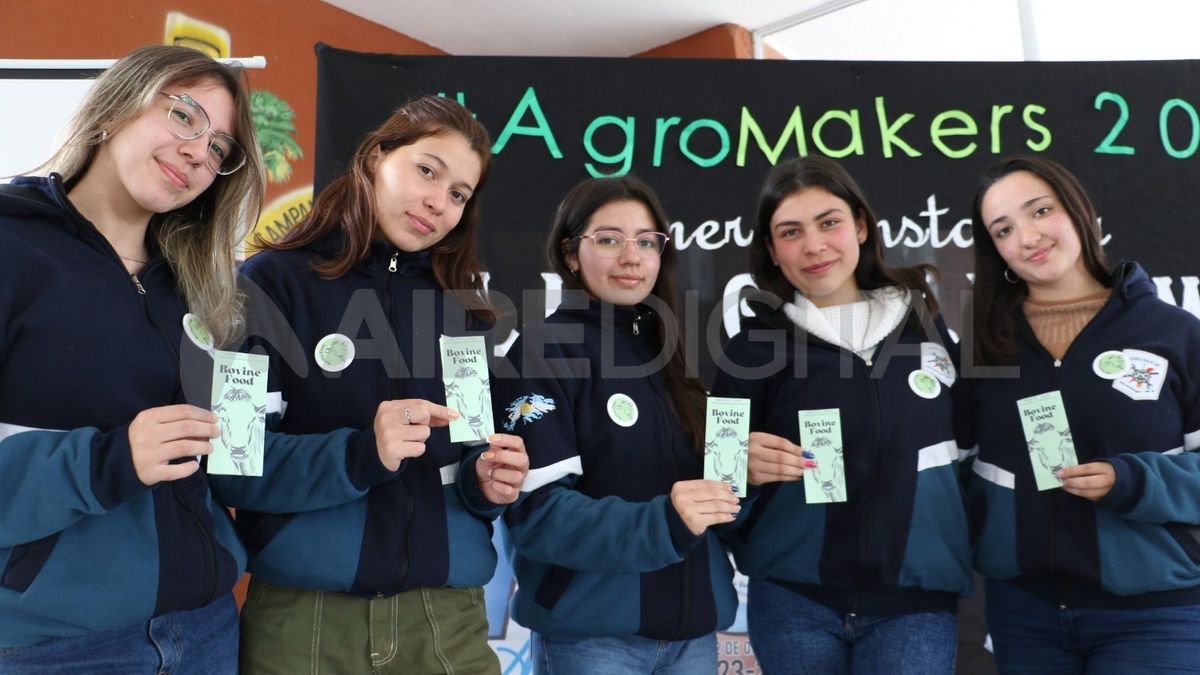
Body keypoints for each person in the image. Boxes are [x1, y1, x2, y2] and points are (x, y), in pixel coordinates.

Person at [210, 95, 528, 675]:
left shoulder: (467, 312)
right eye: (427, 170)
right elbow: (234, 464)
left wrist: (487, 482)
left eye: (459, 194)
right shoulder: (269, 284)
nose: (438, 201)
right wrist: (360, 454)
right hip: (307, 625)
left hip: (449, 622)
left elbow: (471, 452)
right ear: (375, 158)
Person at [0, 45, 264, 672]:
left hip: (205, 630)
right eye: (184, 116)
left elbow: (234, 461)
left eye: (220, 148)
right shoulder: (11, 247)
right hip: (57, 646)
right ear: (115, 107)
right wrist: (109, 460)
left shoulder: (203, 286)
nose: (201, 152)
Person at [710, 156, 971, 674]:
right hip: (793, 601)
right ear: (772, 250)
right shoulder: (749, 348)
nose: (814, 245)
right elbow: (716, 479)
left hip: (914, 601)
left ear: (860, 225)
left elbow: (974, 456)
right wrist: (738, 467)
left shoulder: (931, 331)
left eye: (829, 222)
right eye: (791, 231)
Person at [492, 175, 744, 675]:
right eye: (609, 239)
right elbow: (538, 516)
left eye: (647, 242)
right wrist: (665, 523)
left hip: (693, 637)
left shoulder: (672, 354)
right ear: (569, 254)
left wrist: (744, 473)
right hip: (594, 641)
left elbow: (715, 502)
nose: (632, 257)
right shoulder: (543, 351)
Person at [966, 156, 1200, 673]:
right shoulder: (984, 348)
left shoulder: (1176, 334)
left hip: (1155, 613)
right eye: (1004, 229)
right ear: (996, 250)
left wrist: (1134, 479)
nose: (1027, 237)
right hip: (1023, 614)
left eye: (1040, 211)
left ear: (1079, 211)